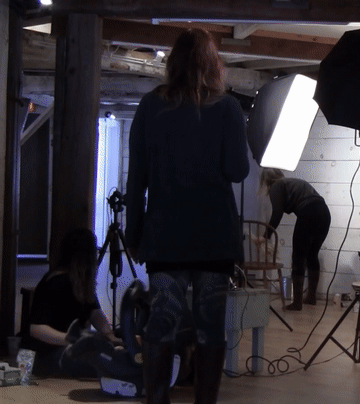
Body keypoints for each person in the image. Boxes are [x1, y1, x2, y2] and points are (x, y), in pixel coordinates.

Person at [124, 28, 249, 404]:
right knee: (210, 327)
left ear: (173, 62)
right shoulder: (228, 108)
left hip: (166, 236)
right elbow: (237, 171)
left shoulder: (151, 105)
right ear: (214, 64)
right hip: (214, 235)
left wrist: (134, 234)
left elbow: (136, 179)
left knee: (161, 322)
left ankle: (157, 400)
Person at [20, 228, 122, 378]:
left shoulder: (82, 284)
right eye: (95, 251)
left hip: (63, 349)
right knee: (100, 362)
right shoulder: (57, 282)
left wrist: (110, 336)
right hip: (42, 355)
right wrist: (72, 339)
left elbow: (95, 313)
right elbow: (36, 329)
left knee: (114, 356)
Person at [259, 168, 331, 311]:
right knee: (312, 255)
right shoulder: (293, 182)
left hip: (308, 212)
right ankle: (311, 297)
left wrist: (265, 236)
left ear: (266, 181)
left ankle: (297, 303)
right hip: (324, 212)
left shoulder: (277, 186)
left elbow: (277, 213)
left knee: (298, 257)